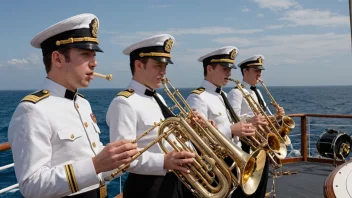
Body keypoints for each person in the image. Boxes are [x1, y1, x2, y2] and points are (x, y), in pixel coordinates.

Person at [7, 13, 138, 198]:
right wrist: (96, 164)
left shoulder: (82, 103)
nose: (94, 63)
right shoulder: (32, 110)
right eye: (85, 54)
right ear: (58, 59)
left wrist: (118, 160)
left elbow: (95, 165)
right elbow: (31, 185)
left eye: (94, 55)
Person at [106, 34, 196, 198]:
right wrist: (163, 162)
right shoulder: (124, 102)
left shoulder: (157, 97)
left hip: (173, 182)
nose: (163, 72)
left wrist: (192, 129)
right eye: (157, 66)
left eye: (165, 66)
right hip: (146, 188)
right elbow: (123, 160)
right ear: (139, 65)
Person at [227, 54, 285, 197]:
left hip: (260, 143)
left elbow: (263, 116)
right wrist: (250, 121)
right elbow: (233, 120)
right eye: (255, 70)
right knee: (247, 187)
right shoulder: (235, 92)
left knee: (262, 183)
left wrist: (276, 117)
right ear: (245, 71)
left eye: (260, 71)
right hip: (246, 144)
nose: (259, 74)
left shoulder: (256, 91)